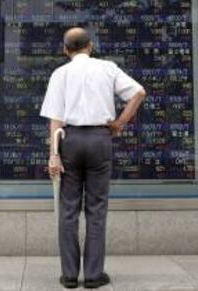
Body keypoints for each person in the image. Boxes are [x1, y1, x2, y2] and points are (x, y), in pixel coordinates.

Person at [40, 27, 146, 289]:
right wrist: (119, 123)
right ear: (90, 46)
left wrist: (54, 155)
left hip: (69, 140)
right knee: (96, 210)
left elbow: (55, 118)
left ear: (66, 50)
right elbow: (139, 92)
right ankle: (94, 275)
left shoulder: (60, 73)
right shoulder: (107, 68)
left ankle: (69, 275)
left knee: (68, 211)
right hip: (100, 140)